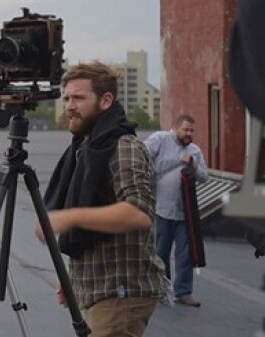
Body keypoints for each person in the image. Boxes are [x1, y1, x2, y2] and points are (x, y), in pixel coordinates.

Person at [39, 61, 165, 337]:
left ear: (106, 100)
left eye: (79, 98)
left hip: (121, 294)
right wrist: (73, 278)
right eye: (67, 98)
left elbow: (139, 214)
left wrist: (70, 217)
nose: (70, 105)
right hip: (99, 290)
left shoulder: (124, 148)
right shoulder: (87, 148)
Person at [144, 114, 208, 308]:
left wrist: (194, 165)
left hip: (184, 212)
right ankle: (162, 288)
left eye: (192, 131)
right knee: (161, 252)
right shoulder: (160, 139)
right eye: (186, 130)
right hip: (161, 209)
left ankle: (184, 292)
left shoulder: (195, 150)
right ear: (176, 128)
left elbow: (204, 177)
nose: (189, 134)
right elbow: (143, 154)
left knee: (185, 253)